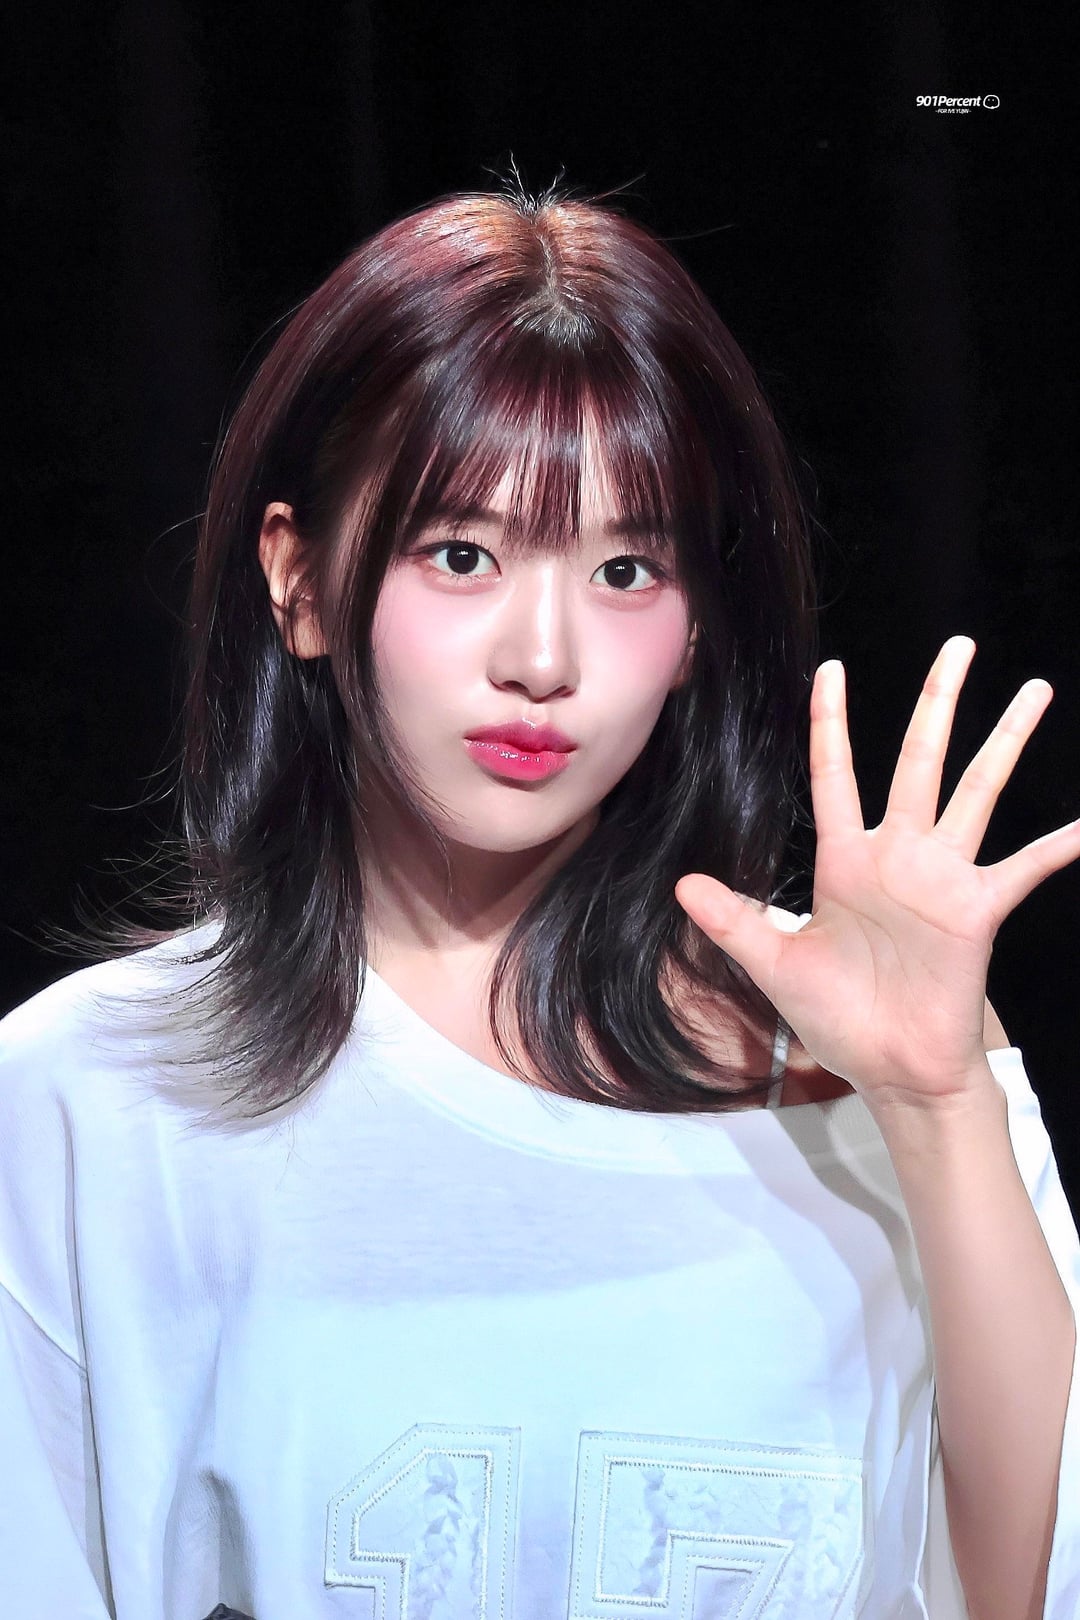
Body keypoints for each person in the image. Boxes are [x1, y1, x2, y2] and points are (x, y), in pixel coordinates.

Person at [0, 174, 1077, 1620]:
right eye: (464, 555)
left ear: (695, 632)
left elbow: (1023, 1588)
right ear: (298, 579)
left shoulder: (875, 1063)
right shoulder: (94, 1098)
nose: (544, 658)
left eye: (627, 568)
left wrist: (941, 1109)